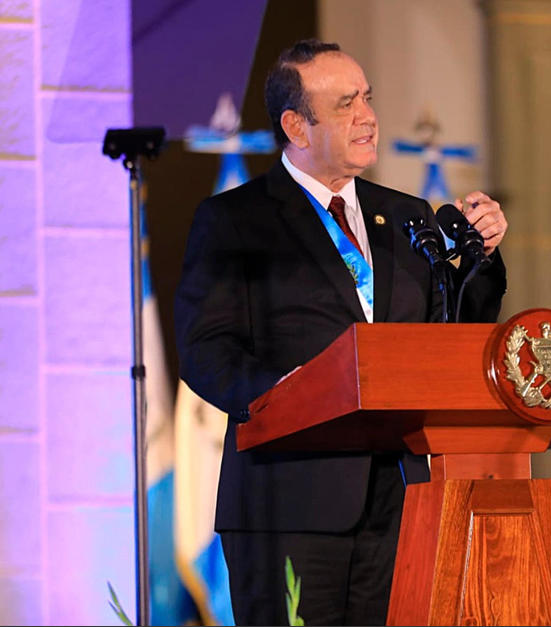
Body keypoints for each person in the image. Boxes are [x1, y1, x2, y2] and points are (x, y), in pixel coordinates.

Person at [174, 38, 508, 626]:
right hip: (287, 503)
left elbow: (448, 338)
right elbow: (205, 352)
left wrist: (483, 258)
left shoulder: (407, 216)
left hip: (401, 499)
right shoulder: (234, 220)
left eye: (368, 99)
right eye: (345, 104)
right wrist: (293, 394)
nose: (368, 117)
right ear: (296, 127)